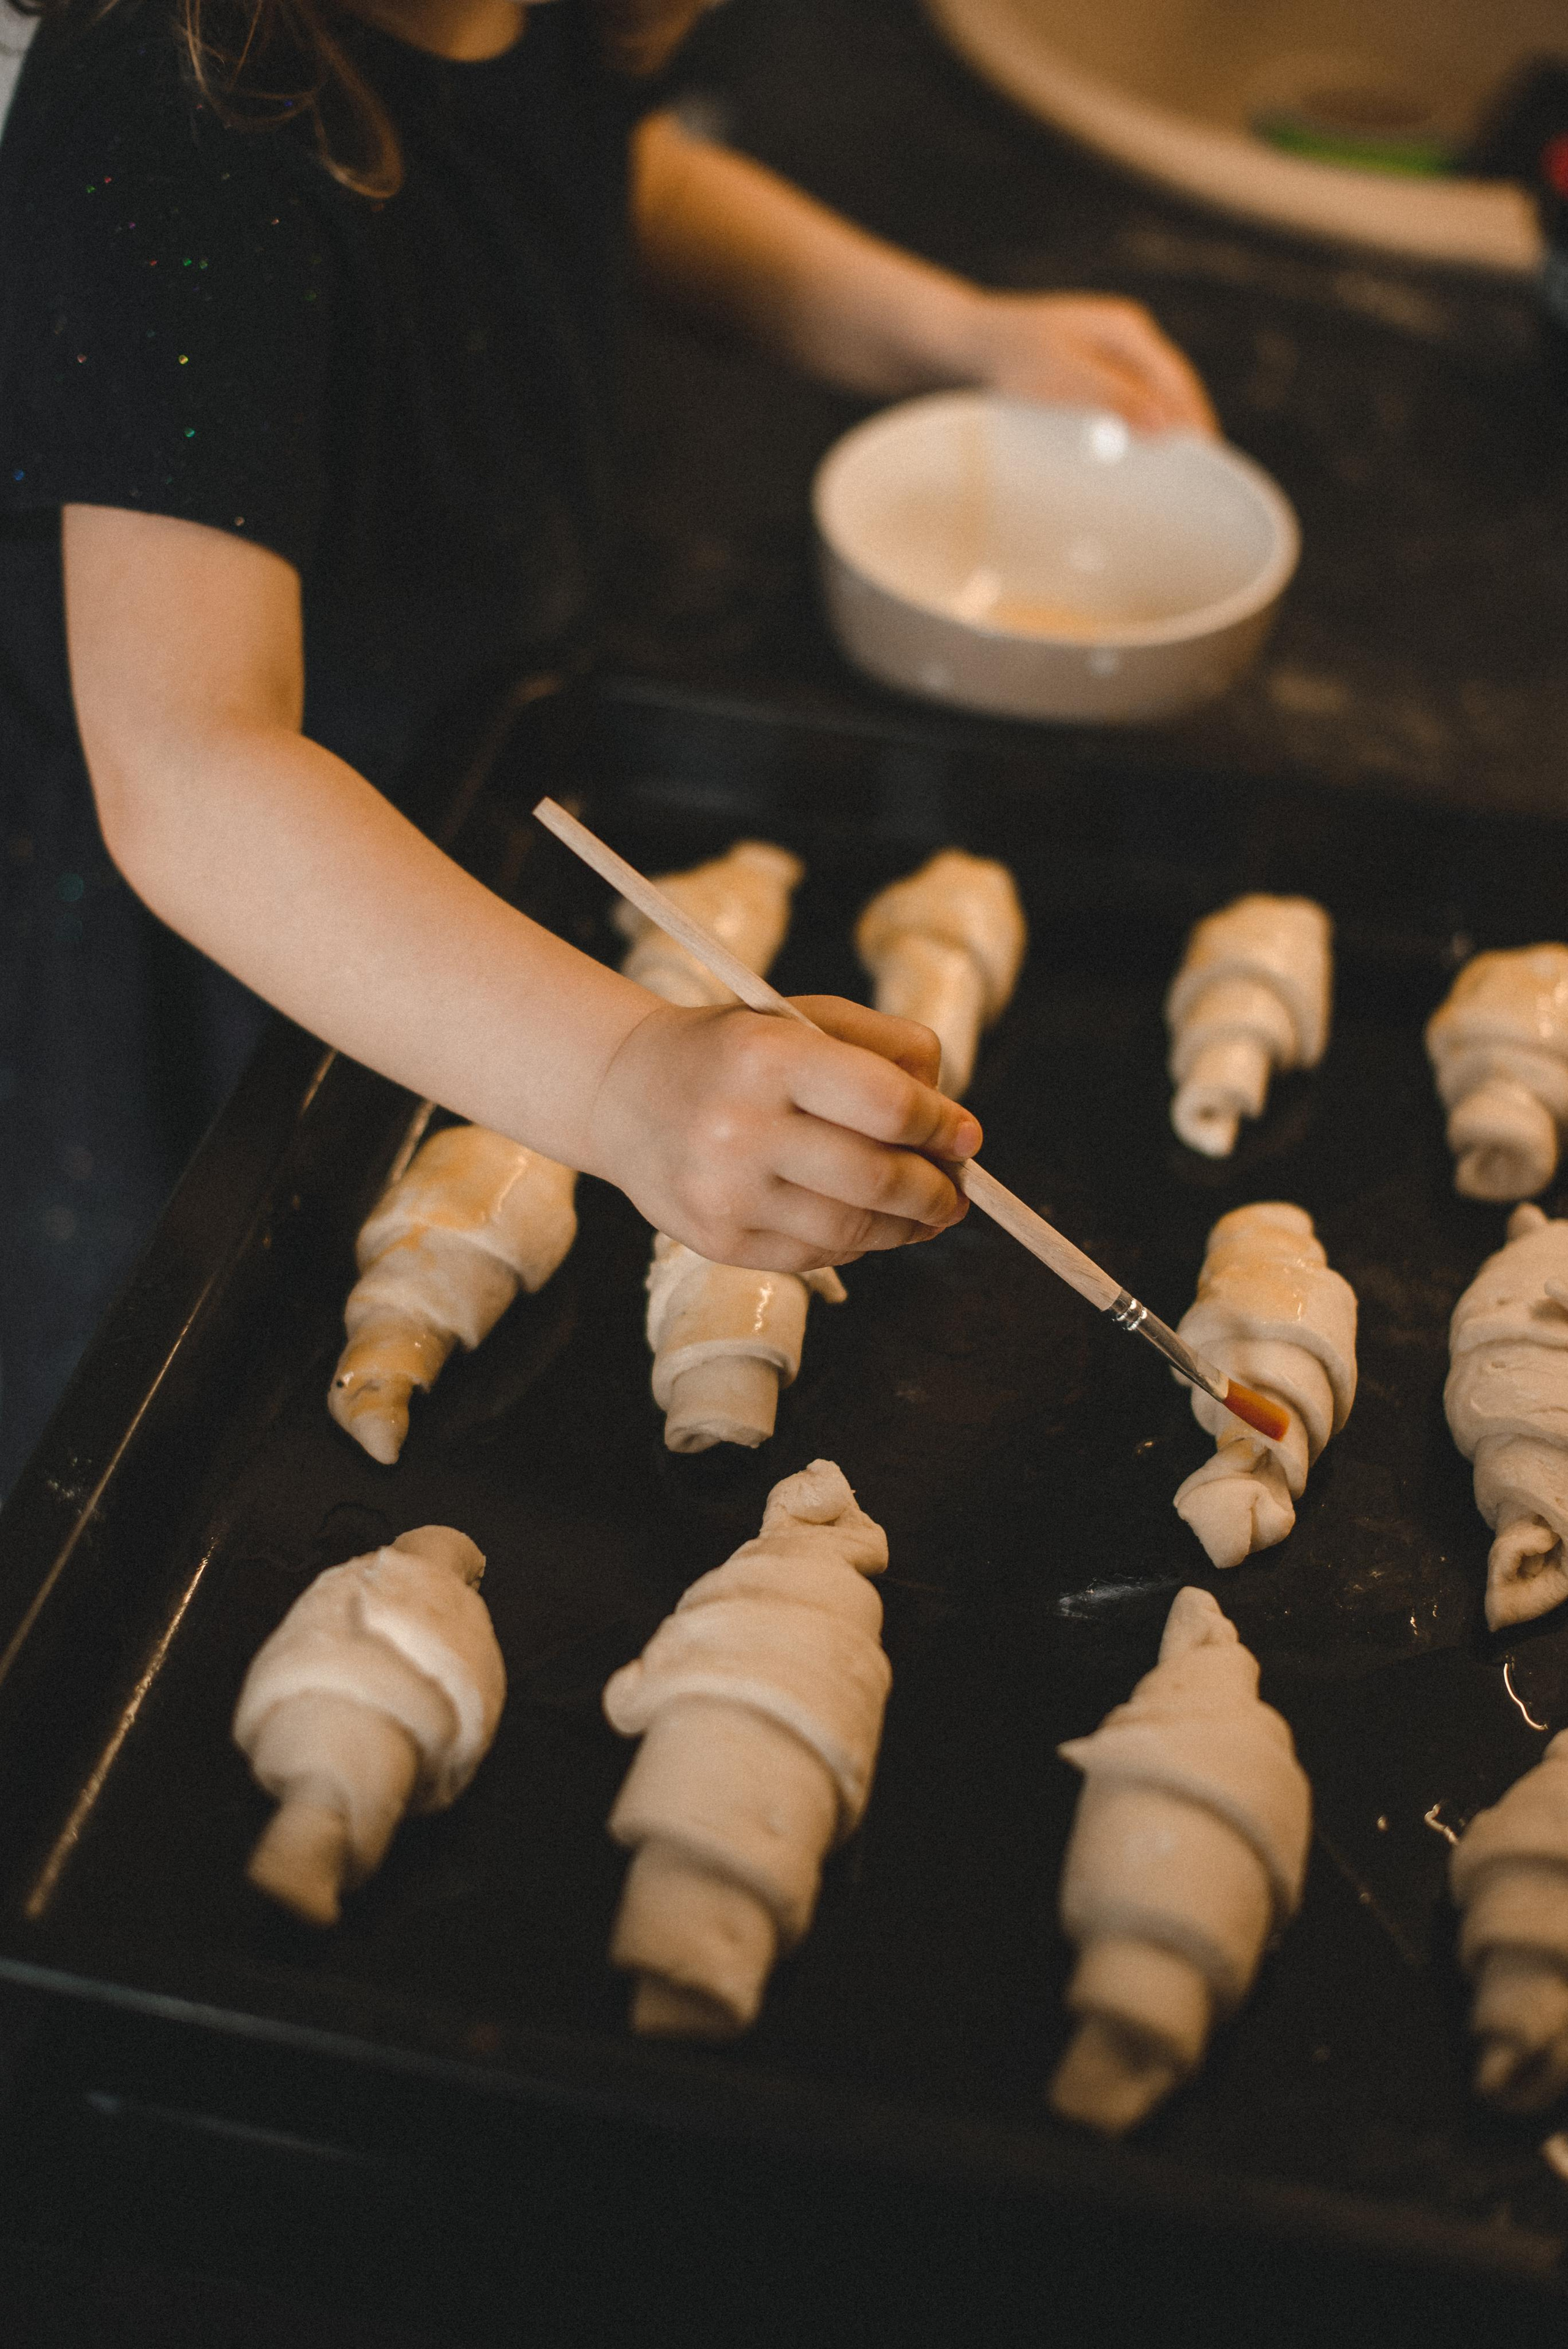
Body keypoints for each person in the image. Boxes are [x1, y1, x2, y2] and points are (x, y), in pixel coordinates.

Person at [0, 0, 1215, 1487]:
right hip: (234, 958)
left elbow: (604, 178)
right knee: (180, 1410)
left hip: (479, 811)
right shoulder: (171, 104)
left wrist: (945, 331)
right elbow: (190, 768)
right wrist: (625, 1080)